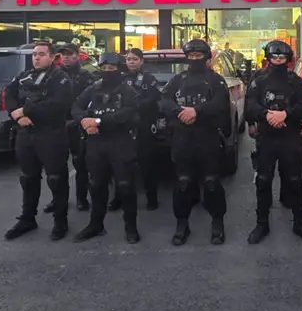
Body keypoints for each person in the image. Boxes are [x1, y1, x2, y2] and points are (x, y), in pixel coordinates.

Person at [245, 40, 302, 245]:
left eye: (281, 58)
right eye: (274, 57)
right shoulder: (258, 80)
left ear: (288, 59)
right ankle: (262, 224)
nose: (277, 61)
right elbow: (250, 104)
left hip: (290, 137)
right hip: (266, 137)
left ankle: (300, 223)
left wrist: (286, 114)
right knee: (263, 180)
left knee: (294, 180)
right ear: (268, 58)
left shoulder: (295, 81)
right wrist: (266, 115)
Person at [161, 39, 232, 246]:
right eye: (190, 56)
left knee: (211, 182)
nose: (194, 59)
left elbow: (220, 104)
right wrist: (179, 111)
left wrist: (197, 112)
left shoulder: (215, 80)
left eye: (198, 56)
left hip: (207, 138)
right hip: (182, 139)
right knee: (183, 183)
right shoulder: (178, 80)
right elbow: (164, 100)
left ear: (206, 56)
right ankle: (182, 224)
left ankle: (217, 223)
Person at [3, 41, 74, 241]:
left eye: (42, 54)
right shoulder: (25, 75)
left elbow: (58, 104)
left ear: (52, 57)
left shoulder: (60, 78)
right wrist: (17, 116)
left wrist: (26, 111)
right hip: (25, 133)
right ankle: (27, 218)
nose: (36, 57)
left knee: (56, 179)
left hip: (51, 134)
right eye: (34, 54)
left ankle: (61, 221)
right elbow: (9, 94)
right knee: (28, 178)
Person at [71, 53, 141, 242]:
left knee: (125, 187)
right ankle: (96, 224)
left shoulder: (128, 90)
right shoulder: (93, 88)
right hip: (96, 143)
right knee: (96, 186)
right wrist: (84, 120)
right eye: (104, 68)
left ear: (119, 69)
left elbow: (128, 113)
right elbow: (76, 106)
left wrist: (99, 121)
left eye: (112, 68)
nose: (107, 72)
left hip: (120, 142)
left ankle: (131, 227)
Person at [40, 43, 96, 214]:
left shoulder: (86, 76)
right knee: (56, 166)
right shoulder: (52, 76)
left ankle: (81, 198)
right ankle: (57, 199)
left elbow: (93, 101)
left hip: (77, 126)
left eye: (69, 54)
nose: (65, 57)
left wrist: (80, 119)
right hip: (57, 126)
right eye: (62, 54)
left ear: (77, 56)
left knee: (80, 164)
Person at [121, 48, 163, 211]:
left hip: (144, 127)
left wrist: (133, 107)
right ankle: (120, 198)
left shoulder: (149, 79)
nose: (131, 62)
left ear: (141, 61)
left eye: (134, 59)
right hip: (124, 128)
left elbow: (153, 99)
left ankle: (151, 198)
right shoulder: (121, 79)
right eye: (129, 59)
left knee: (147, 166)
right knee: (122, 166)